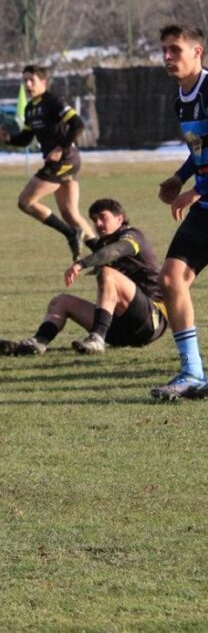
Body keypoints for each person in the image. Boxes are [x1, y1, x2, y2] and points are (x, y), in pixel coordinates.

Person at [0, 198, 166, 356]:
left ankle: (97, 339)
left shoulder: (132, 235)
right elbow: (98, 246)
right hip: (119, 331)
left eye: (103, 217)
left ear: (119, 219)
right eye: (94, 219)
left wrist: (81, 264)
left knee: (108, 273)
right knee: (61, 301)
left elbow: (116, 250)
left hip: (150, 322)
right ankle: (38, 342)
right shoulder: (104, 243)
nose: (98, 223)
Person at [152, 23, 208, 400]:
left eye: (175, 49)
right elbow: (200, 148)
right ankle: (192, 373)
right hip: (206, 206)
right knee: (171, 280)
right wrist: (180, 177)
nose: (168, 57)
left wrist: (196, 190)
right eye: (164, 51)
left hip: (203, 198)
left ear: (197, 52)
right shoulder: (181, 99)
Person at [0, 65, 94, 260]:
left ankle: (70, 234)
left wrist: (60, 148)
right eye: (25, 81)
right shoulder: (30, 109)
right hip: (63, 161)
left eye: (31, 80)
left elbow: (78, 124)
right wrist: (7, 138)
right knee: (70, 214)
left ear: (43, 81)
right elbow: (25, 139)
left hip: (64, 160)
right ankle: (103, 254)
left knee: (26, 202)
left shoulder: (53, 101)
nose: (28, 85)